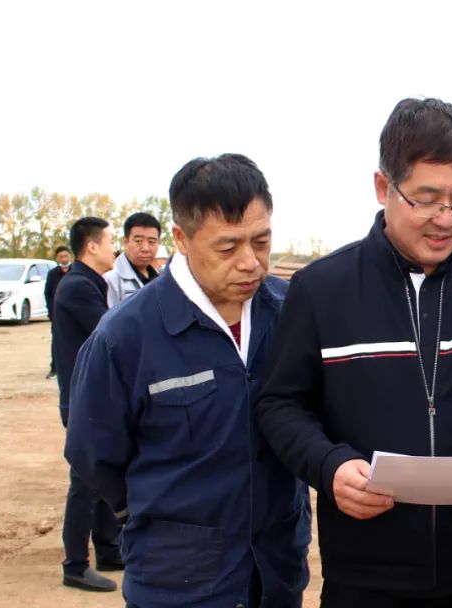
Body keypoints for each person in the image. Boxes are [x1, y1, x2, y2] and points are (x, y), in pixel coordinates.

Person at [256, 98, 452, 607]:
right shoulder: (321, 289)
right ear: (383, 187)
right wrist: (329, 466)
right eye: (427, 199)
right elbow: (281, 404)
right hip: (361, 576)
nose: (446, 219)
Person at [65, 154, 311, 608]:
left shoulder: (292, 312)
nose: (250, 263)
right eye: (227, 248)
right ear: (181, 239)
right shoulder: (125, 336)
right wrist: (162, 519)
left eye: (261, 242)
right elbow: (93, 454)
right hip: (177, 580)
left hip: (276, 572)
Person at [53, 217, 119, 592]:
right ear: (91, 246)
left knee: (104, 474)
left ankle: (109, 550)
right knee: (85, 482)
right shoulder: (78, 286)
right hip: (83, 400)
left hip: (92, 396)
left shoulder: (89, 283)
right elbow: (113, 333)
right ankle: (75, 565)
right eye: (109, 241)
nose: (113, 248)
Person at [104, 211, 162, 307]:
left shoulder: (161, 277)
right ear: (125, 242)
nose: (145, 248)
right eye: (138, 241)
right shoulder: (110, 279)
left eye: (151, 241)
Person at [44, 245, 72, 379]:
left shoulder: (76, 271)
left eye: (65, 256)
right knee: (56, 341)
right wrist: (52, 311)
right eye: (61, 257)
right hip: (57, 315)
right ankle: (55, 368)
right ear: (57, 258)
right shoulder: (52, 274)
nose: (64, 259)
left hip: (73, 314)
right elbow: (48, 293)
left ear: (70, 256)